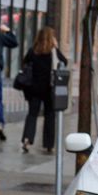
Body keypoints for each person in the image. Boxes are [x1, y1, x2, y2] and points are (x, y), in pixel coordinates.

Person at [20, 26, 68, 154]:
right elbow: (64, 62)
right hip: (49, 89)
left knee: (32, 114)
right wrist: (56, 48)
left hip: (33, 89)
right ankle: (49, 144)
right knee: (49, 116)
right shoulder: (53, 52)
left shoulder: (33, 51)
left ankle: (27, 140)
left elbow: (24, 63)